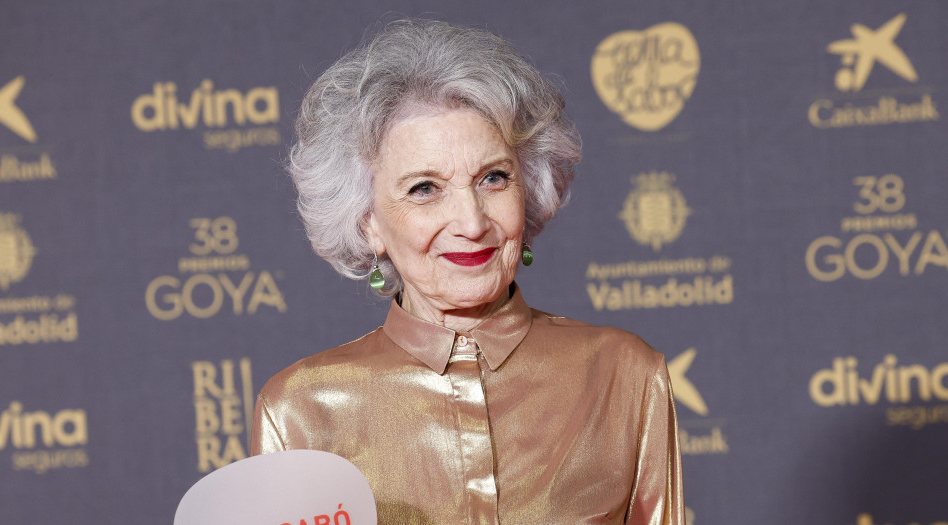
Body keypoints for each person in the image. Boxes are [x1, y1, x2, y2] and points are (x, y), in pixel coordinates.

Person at [252, 19, 684, 524]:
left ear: (530, 187)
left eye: (493, 178)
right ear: (369, 223)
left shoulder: (624, 374)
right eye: (424, 188)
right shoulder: (300, 411)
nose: (472, 221)